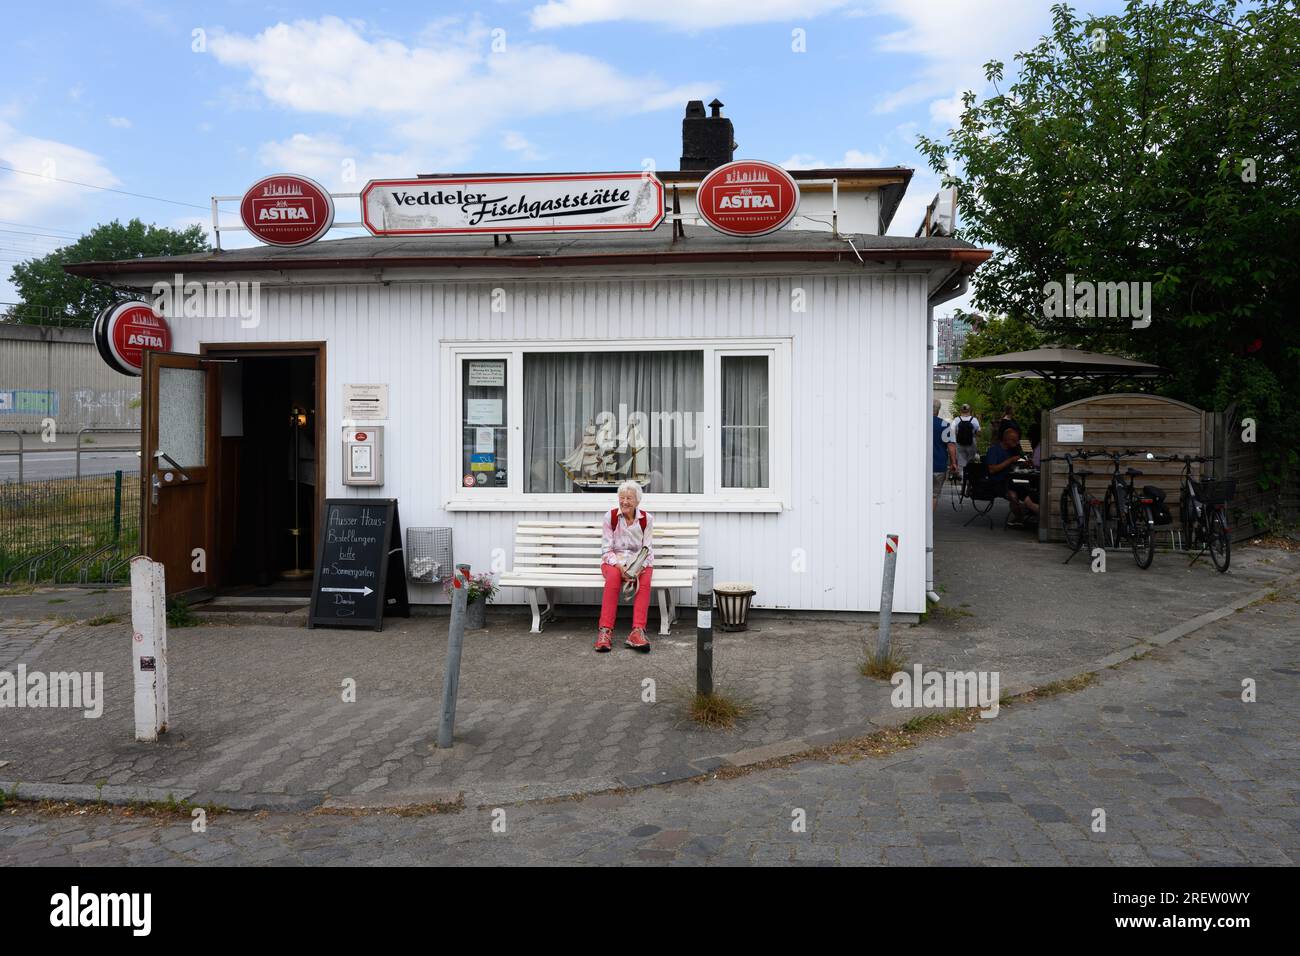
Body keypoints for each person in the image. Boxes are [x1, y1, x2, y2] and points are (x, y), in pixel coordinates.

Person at [596, 480, 653, 653]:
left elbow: (647, 551)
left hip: (637, 563)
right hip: (614, 561)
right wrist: (620, 566)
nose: (624, 502)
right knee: (613, 576)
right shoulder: (611, 517)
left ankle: (637, 631)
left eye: (629, 498)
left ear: (637, 501)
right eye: (622, 498)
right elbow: (606, 550)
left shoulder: (646, 519)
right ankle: (605, 632)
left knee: (645, 578)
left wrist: (637, 568)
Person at [984, 422, 1028, 526]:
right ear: (1006, 440)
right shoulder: (994, 450)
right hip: (997, 482)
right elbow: (992, 470)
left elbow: (1014, 466)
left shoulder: (1012, 450)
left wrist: (1024, 464)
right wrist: (1010, 460)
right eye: (1014, 441)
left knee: (1027, 493)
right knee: (1013, 496)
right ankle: (1019, 518)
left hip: (1011, 480)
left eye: (1017, 441)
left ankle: (1027, 512)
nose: (1016, 443)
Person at [932, 399, 958, 510]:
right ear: (938, 411)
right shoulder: (945, 425)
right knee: (933, 495)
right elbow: (951, 445)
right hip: (939, 466)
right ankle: (928, 524)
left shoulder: (919, 423)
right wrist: (953, 463)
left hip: (920, 466)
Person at [952, 403, 981, 472]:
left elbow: (952, 432)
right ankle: (970, 477)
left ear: (960, 411)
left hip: (959, 443)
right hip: (971, 443)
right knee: (970, 461)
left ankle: (962, 478)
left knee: (961, 462)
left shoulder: (956, 420)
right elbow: (979, 432)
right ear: (969, 410)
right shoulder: (974, 420)